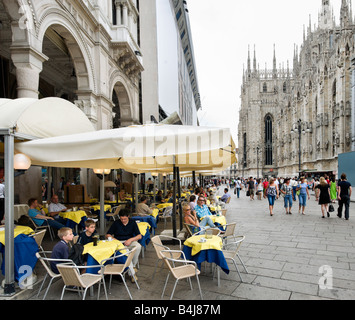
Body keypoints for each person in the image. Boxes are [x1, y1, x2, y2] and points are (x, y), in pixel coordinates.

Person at [106, 208, 142, 278]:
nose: (123, 221)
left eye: (124, 219)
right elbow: (108, 235)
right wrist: (115, 240)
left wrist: (130, 240)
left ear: (128, 216)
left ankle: (133, 266)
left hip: (130, 240)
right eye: (121, 219)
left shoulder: (132, 222)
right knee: (127, 252)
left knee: (138, 246)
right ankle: (132, 273)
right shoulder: (116, 223)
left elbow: (139, 236)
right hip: (119, 242)